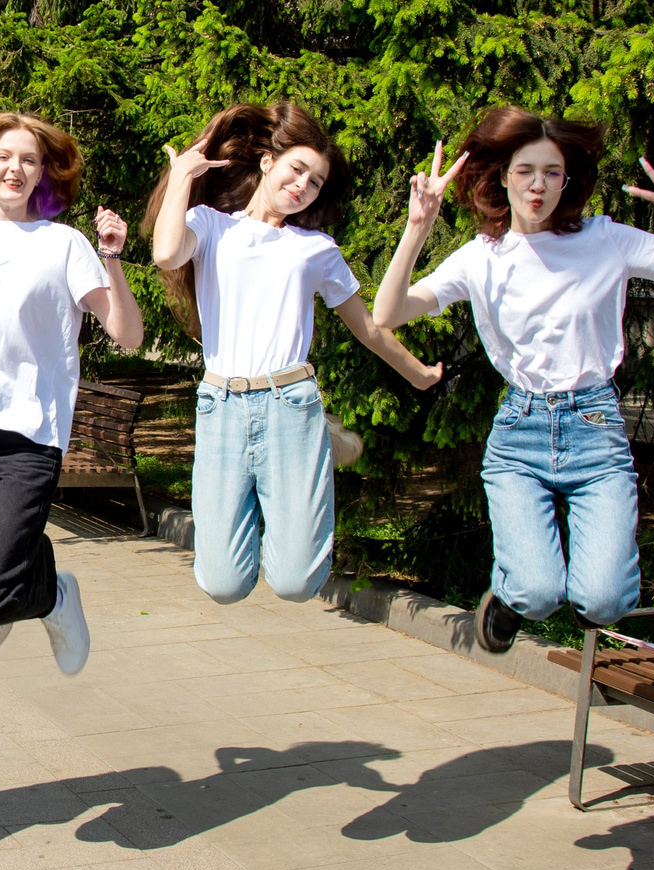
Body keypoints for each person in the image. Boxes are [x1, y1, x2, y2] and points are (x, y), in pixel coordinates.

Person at [372, 105, 654, 651]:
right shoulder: (482, 257)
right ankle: (508, 595)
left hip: (596, 428)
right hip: (520, 428)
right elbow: (388, 314)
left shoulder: (607, 240)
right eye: (525, 171)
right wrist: (416, 229)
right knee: (537, 592)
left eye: (552, 172)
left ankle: (551, 593)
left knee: (606, 603)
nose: (538, 185)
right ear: (503, 175)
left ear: (567, 181)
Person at [146, 101, 443, 605]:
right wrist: (180, 178)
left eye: (316, 181)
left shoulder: (315, 249)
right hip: (220, 406)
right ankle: (321, 442)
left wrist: (418, 374)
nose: (303, 185)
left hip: (289, 402)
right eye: (297, 169)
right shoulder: (212, 226)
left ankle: (312, 442)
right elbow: (166, 253)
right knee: (221, 584)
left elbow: (368, 327)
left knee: (296, 583)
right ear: (267, 162)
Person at [0, 111, 143, 674]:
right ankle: (5, 579)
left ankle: (52, 592)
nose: (16, 168)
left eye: (30, 160)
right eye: (5, 157)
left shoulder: (63, 243)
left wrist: (111, 256)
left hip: (29, 437)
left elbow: (128, 336)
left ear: (42, 175)